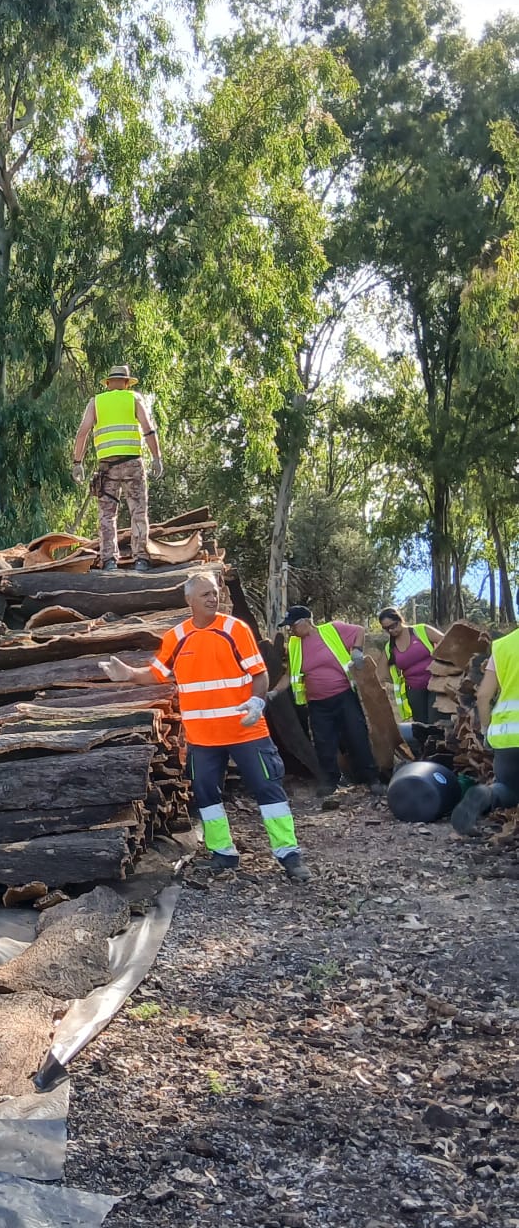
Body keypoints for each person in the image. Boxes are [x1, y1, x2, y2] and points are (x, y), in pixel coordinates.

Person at [102, 571, 309, 880]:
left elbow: (260, 674)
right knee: (206, 796)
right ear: (189, 601)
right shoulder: (176, 637)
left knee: (268, 789)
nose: (213, 598)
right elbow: (157, 673)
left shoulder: (234, 629)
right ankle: (223, 854)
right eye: (205, 594)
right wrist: (129, 674)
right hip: (202, 739)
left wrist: (257, 702)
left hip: (245, 730)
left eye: (214, 593)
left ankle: (289, 855)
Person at [270, 605, 377, 807]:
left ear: (306, 623)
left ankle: (371, 777)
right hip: (318, 703)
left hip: (344, 695)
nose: (290, 630)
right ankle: (330, 781)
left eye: (292, 626)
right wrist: (274, 692)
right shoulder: (294, 644)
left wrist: (357, 650)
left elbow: (359, 631)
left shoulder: (332, 629)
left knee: (357, 735)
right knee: (324, 742)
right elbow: (289, 675)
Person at [71, 365, 162, 573]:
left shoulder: (96, 401)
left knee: (106, 514)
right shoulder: (134, 399)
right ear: (127, 383)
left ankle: (109, 560)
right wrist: (157, 457)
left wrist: (78, 462)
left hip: (107, 467)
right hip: (133, 464)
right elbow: (148, 429)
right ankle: (141, 559)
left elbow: (82, 433)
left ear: (109, 383)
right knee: (138, 511)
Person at [451, 624, 519, 833]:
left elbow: (483, 696)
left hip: (507, 735)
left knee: (508, 789)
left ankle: (485, 795)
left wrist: (487, 729)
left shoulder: (502, 646)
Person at [379, 607, 441, 725]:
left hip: (436, 684)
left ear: (400, 620)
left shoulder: (421, 630)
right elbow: (380, 675)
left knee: (435, 723)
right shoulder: (389, 648)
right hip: (414, 689)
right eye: (386, 629)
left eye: (393, 626)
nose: (391, 630)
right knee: (421, 725)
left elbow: (448, 642)